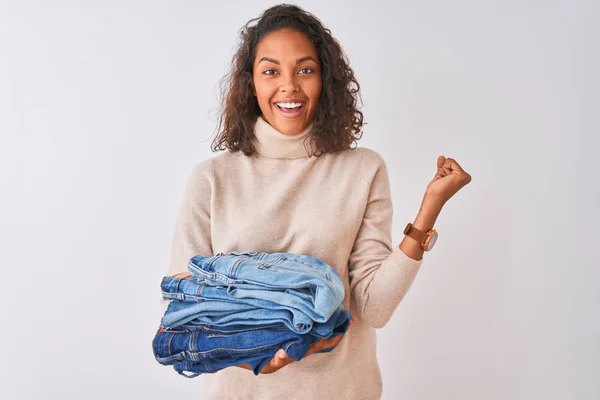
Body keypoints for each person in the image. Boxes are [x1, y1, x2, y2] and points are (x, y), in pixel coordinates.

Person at [160, 4, 472, 399]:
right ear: (250, 82)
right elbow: (179, 307)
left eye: (305, 69)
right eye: (271, 71)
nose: (289, 86)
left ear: (325, 78)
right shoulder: (212, 179)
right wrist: (254, 356)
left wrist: (429, 209)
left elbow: (373, 307)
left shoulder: (362, 170)